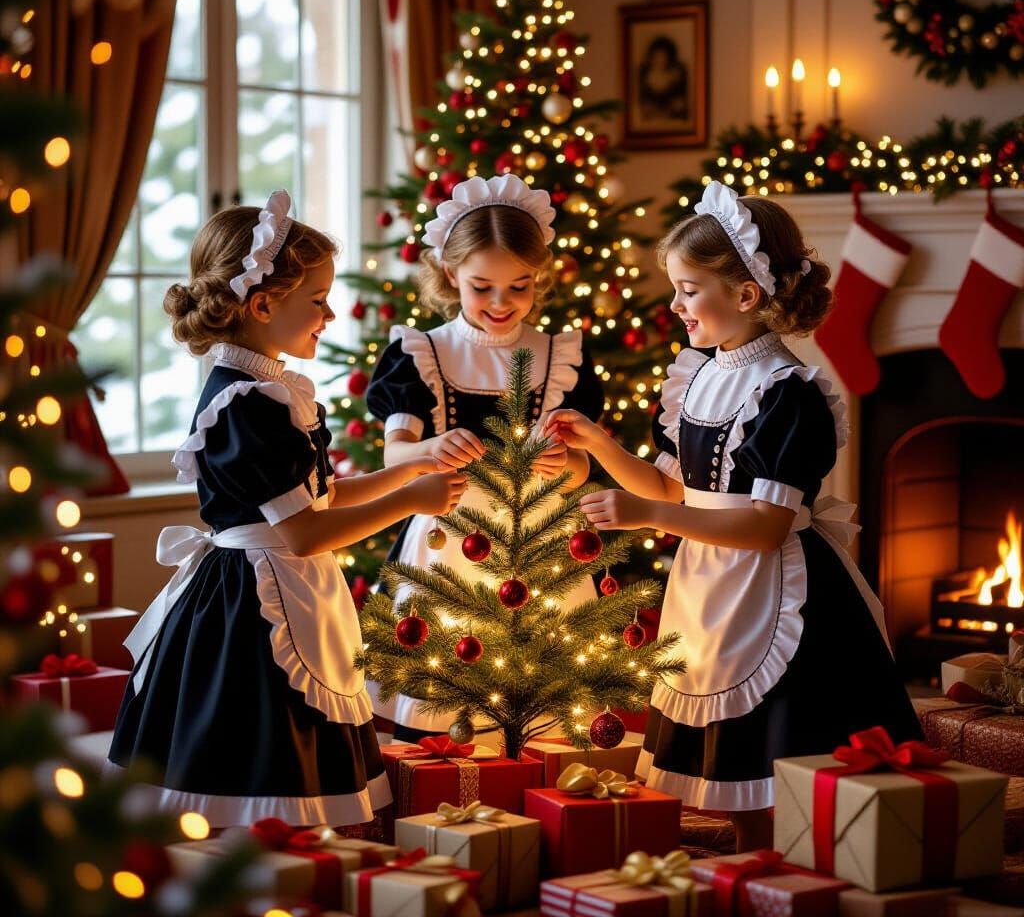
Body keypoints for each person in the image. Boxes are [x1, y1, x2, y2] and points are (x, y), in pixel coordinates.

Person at [545, 181, 920, 851]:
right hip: (709, 579)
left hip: (775, 586)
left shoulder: (787, 393)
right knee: (727, 743)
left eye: (689, 290)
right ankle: (752, 855)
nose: (675, 305)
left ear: (746, 296)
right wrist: (600, 445)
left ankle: (791, 856)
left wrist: (646, 514)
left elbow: (765, 527)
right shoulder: (697, 375)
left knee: (780, 744)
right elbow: (672, 487)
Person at [108, 190, 466, 826]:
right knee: (261, 739)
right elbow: (303, 533)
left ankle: (291, 851)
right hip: (254, 598)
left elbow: (322, 497)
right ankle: (265, 847)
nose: (329, 314)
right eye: (318, 300)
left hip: (287, 579)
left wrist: (406, 470)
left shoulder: (270, 389)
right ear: (263, 304)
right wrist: (410, 499)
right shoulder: (246, 402)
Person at [366, 174, 604, 741]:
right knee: (442, 701)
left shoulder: (561, 357)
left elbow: (581, 467)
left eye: (519, 287)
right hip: (449, 545)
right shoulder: (421, 353)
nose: (501, 303)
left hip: (543, 549)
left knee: (548, 708)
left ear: (539, 277)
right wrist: (429, 449)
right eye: (482, 287)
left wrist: (564, 465)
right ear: (451, 274)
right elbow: (396, 451)